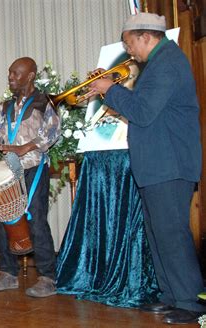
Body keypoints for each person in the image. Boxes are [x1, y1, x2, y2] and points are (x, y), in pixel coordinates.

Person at [88, 13, 204, 324]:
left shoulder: (167, 63)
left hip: (170, 164)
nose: (129, 52)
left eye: (129, 44)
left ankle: (192, 304)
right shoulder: (160, 64)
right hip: (158, 164)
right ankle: (172, 296)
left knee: (171, 234)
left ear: (145, 37)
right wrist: (107, 91)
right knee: (159, 234)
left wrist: (108, 88)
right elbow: (142, 109)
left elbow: (142, 111)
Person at [0, 57, 61, 298]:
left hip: (34, 166)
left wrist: (25, 147)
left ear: (31, 76)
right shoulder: (6, 105)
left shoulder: (44, 101)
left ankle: (48, 277)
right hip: (10, 169)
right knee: (3, 217)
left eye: (16, 73)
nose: (11, 77)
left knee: (36, 219)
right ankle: (8, 274)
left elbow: (53, 133)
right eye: (10, 73)